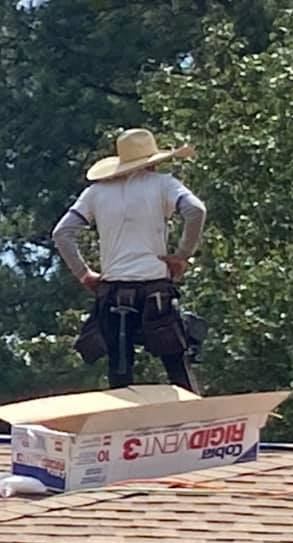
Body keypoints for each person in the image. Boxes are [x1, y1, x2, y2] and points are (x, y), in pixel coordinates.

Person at [52, 128, 207, 391]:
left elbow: (62, 233)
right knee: (176, 364)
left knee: (120, 371)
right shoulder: (163, 184)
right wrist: (181, 256)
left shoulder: (96, 193)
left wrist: (84, 274)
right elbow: (195, 210)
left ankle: (124, 423)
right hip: (155, 289)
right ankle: (193, 420)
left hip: (113, 292)